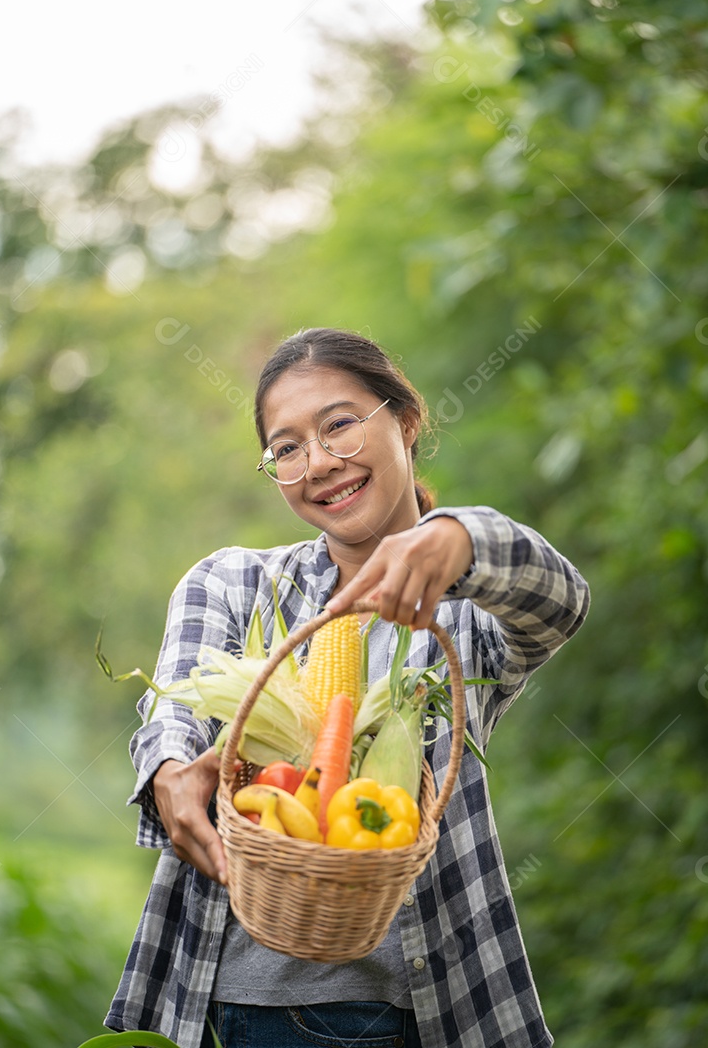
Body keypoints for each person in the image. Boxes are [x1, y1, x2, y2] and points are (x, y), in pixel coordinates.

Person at [105, 327, 590, 1048]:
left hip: (427, 1007)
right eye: (288, 448)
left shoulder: (466, 612)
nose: (320, 463)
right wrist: (173, 770)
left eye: (339, 425)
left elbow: (561, 600)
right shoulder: (234, 581)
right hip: (237, 998)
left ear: (406, 419)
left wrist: (459, 539)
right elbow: (175, 703)